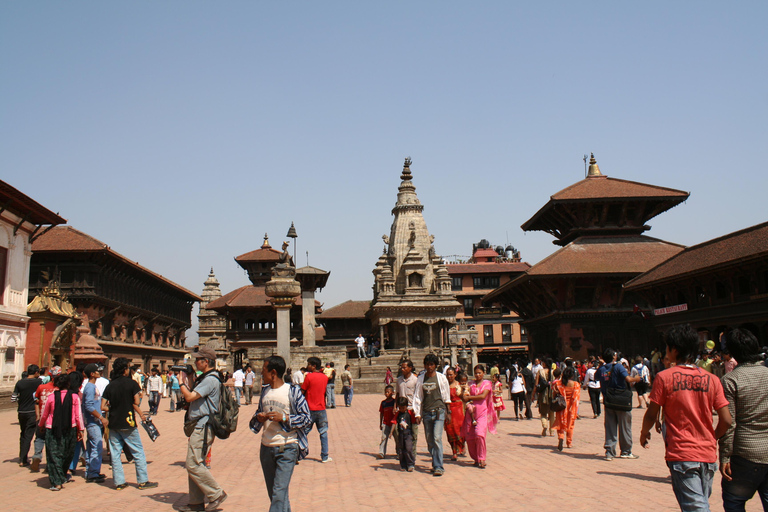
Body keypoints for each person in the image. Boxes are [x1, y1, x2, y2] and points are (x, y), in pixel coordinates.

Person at [640, 324, 732, 512]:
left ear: (674, 350)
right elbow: (727, 420)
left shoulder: (664, 377)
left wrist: (644, 432)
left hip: (682, 454)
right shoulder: (712, 379)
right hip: (707, 456)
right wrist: (712, 437)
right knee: (701, 503)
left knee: (696, 508)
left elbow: (651, 413)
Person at [250, 355, 311, 512]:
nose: (261, 373)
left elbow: (306, 418)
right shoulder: (264, 392)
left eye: (263, 370)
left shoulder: (293, 392)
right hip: (266, 446)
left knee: (278, 493)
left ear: (273, 373)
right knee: (276, 494)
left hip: (287, 446)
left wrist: (284, 418)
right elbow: (256, 417)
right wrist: (259, 417)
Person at [719, 328, 768, 512]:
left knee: (735, 502)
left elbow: (728, 423)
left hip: (744, 453)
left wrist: (724, 455)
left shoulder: (731, 380)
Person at [176, 346, 227, 511]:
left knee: (192, 464)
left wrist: (180, 383)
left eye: (198, 359)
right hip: (199, 426)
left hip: (203, 426)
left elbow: (190, 396)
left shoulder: (210, 379)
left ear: (206, 362)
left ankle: (216, 493)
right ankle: (196, 503)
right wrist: (190, 378)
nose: (195, 362)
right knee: (196, 463)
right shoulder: (206, 378)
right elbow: (194, 393)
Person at [101, 357, 157, 491]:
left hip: (114, 422)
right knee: (138, 452)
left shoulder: (110, 385)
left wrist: (114, 407)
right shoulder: (131, 384)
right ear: (125, 370)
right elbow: (136, 402)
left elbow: (103, 406)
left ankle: (119, 482)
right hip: (128, 422)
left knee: (115, 453)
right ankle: (143, 481)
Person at [38, 373, 85, 491]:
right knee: (67, 453)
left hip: (52, 428)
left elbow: (45, 414)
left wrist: (41, 425)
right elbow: (78, 415)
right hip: (71, 428)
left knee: (54, 454)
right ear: (68, 383)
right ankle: (62, 474)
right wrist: (81, 429)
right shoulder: (74, 397)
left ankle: (57, 481)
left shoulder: (51, 397)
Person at [600, 348, 642, 461]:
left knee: (610, 427)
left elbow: (596, 377)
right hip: (621, 400)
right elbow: (628, 379)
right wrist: (636, 379)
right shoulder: (618, 366)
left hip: (608, 401)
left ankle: (609, 452)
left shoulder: (601, 368)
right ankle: (626, 451)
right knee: (625, 427)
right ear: (613, 357)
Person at [413, 353, 451, 477]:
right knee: (430, 441)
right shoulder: (421, 379)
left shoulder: (441, 378)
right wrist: (417, 413)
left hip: (439, 410)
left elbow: (446, 395)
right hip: (427, 413)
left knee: (437, 438)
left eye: (431, 364)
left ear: (435, 365)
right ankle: (435, 462)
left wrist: (448, 411)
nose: (429, 367)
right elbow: (418, 397)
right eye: (427, 364)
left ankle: (439, 466)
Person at [461, 364, 496, 469]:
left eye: (479, 373)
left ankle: (482, 458)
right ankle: (475, 458)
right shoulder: (470, 384)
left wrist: (469, 397)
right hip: (471, 413)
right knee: (470, 437)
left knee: (479, 435)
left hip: (482, 413)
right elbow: (464, 395)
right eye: (476, 373)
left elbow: (482, 396)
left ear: (483, 373)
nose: (477, 375)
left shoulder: (487, 384)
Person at [31, 366, 62, 472]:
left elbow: (36, 401)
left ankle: (37, 455)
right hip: (54, 419)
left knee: (39, 438)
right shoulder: (59, 389)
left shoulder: (41, 387)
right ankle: (50, 463)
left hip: (41, 417)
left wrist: (38, 416)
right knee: (52, 441)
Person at [301, 357, 331, 463]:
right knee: (323, 432)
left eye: (309, 364)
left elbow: (302, 391)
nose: (307, 366)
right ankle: (325, 455)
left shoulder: (309, 377)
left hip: (309, 408)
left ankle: (298, 453)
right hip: (321, 408)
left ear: (314, 366)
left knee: (304, 432)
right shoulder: (324, 378)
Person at [82, 363, 107, 483]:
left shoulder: (91, 386)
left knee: (92, 446)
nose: (99, 372)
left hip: (93, 420)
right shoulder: (90, 387)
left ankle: (91, 470)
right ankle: (93, 473)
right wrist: (101, 417)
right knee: (97, 445)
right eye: (97, 371)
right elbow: (88, 405)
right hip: (93, 420)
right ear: (92, 374)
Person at [12, 363, 41, 467]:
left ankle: (22, 457)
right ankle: (23, 459)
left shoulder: (20, 383)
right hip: (32, 412)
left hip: (21, 411)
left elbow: (13, 398)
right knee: (29, 435)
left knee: (23, 434)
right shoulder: (39, 382)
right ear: (36, 372)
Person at [551, 367, 581, 451]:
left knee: (560, 424)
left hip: (561, 406)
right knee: (570, 425)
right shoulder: (576, 384)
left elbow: (554, 394)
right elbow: (577, 398)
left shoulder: (559, 384)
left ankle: (561, 437)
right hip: (571, 407)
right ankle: (569, 442)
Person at [395, 359, 419, 462]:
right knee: (398, 433)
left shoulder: (415, 380)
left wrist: (418, 411)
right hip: (400, 411)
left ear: (410, 368)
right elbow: (397, 394)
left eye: (404, 367)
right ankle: (400, 452)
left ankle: (411, 455)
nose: (402, 369)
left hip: (411, 410)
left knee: (413, 433)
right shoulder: (399, 380)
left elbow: (418, 396)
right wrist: (394, 407)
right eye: (401, 367)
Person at [444, 368, 465, 460]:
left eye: (451, 374)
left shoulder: (459, 385)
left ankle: (461, 445)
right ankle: (454, 451)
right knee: (450, 430)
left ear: (455, 375)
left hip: (459, 409)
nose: (449, 377)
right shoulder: (444, 386)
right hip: (448, 409)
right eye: (448, 375)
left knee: (459, 430)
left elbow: (464, 397)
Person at [534, 358, 555, 437]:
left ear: (545, 364)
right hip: (552, 394)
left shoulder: (540, 372)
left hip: (543, 395)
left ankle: (545, 425)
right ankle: (552, 431)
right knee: (552, 413)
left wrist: (533, 394)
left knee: (543, 413)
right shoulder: (553, 372)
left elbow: (536, 384)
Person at [395, 397, 414, 471]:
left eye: (403, 407)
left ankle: (410, 464)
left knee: (408, 448)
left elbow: (413, 422)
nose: (401, 409)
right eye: (400, 408)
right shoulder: (398, 414)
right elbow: (394, 422)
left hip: (408, 433)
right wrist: (391, 432)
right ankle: (403, 464)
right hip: (401, 434)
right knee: (401, 449)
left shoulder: (409, 413)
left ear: (406, 406)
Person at [378, 385, 396, 459]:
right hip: (385, 423)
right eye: (385, 392)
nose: (386, 394)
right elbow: (381, 413)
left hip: (393, 423)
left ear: (392, 393)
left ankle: (399, 452)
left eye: (388, 392)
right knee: (384, 438)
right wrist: (380, 423)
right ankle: (382, 452)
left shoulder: (394, 402)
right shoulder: (383, 403)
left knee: (397, 438)